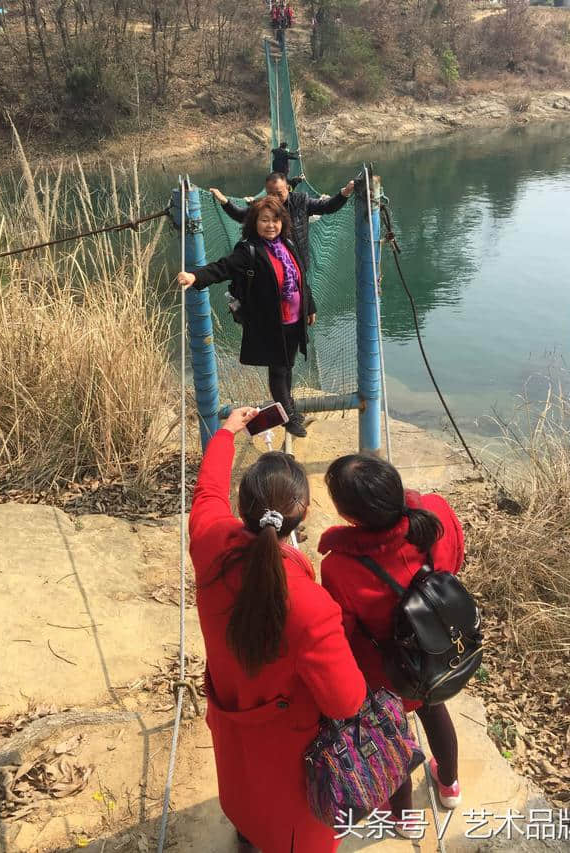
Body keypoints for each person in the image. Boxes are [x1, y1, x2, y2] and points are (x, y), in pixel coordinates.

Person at [189, 407, 366, 851]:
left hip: (231, 719)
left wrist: (228, 432)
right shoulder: (311, 605)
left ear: (243, 506)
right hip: (292, 750)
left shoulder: (210, 541)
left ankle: (246, 831)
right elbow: (346, 700)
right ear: (301, 514)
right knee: (291, 827)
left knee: (244, 795)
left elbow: (207, 490)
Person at [318, 454, 465, 830]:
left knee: (392, 738)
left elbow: (343, 631)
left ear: (351, 517)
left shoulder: (339, 565)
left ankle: (403, 816)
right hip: (437, 653)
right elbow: (457, 560)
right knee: (435, 711)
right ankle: (449, 785)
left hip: (389, 673)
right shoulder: (436, 513)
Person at [178, 197, 316, 437]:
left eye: (275, 220)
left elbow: (300, 278)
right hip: (271, 323)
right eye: (264, 220)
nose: (271, 225)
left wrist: (310, 307)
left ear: (282, 222)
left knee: (287, 366)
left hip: (294, 320)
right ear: (254, 222)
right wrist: (195, 277)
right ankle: (289, 418)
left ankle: (289, 408)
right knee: (278, 370)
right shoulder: (249, 250)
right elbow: (223, 268)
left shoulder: (287, 244)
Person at [209, 171, 355, 273]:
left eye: (279, 193)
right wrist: (225, 202)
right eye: (271, 193)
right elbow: (241, 216)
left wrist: (345, 193)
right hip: (271, 266)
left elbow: (326, 207)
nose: (275, 198)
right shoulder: (262, 206)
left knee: (301, 302)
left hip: (297, 263)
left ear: (288, 188)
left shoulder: (301, 201)